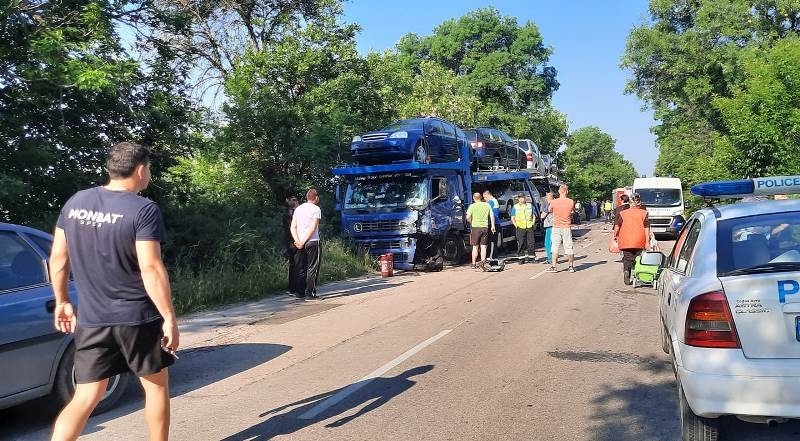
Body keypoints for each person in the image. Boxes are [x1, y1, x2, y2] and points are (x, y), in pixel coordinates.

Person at [49, 142, 179, 441]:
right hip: (137, 317)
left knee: (85, 395)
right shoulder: (143, 209)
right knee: (155, 385)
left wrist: (62, 301)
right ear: (140, 169)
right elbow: (151, 268)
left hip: (92, 319)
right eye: (149, 169)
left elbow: (57, 258)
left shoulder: (76, 203)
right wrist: (169, 317)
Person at [614, 193, 653, 285]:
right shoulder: (644, 213)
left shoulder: (623, 213)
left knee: (627, 258)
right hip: (640, 240)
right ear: (639, 203)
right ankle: (638, 274)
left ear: (630, 203)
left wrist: (615, 236)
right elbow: (646, 228)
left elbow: (617, 226)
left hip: (625, 240)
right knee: (638, 257)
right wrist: (647, 241)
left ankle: (627, 271)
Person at [291, 188, 322, 299]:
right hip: (312, 242)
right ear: (316, 197)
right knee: (312, 268)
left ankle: (299, 292)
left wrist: (298, 241)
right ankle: (310, 293)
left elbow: (293, 227)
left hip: (299, 242)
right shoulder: (316, 209)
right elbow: (313, 227)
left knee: (300, 267)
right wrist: (304, 241)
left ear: (307, 197)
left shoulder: (298, 209)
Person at [547, 184, 576, 273]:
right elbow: (572, 212)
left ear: (559, 191)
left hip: (556, 226)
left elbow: (549, 210)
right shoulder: (571, 202)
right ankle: (570, 266)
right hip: (566, 226)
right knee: (568, 246)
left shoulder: (554, 202)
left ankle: (554, 266)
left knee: (555, 247)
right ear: (567, 192)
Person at [466, 192, 495, 269]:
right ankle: (483, 262)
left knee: (475, 247)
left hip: (475, 228)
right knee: (483, 247)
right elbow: (491, 215)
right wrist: (492, 225)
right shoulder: (487, 205)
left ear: (473, 198)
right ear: (481, 197)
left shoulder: (472, 206)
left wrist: (471, 221)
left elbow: (468, 217)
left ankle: (473, 263)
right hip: (484, 227)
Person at [510, 193, 536, 264]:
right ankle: (521, 258)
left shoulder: (530, 206)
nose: (521, 199)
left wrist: (533, 223)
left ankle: (532, 257)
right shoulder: (515, 207)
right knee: (521, 243)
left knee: (531, 242)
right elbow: (512, 217)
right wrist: (516, 226)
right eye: (520, 198)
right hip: (520, 227)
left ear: (525, 198)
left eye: (523, 197)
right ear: (518, 199)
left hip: (529, 226)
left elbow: (533, 215)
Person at [283, 196, 300, 295]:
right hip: (292, 242)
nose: (297, 202)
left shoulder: (294, 213)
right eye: (294, 200)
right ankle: (293, 287)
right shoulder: (288, 215)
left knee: (295, 264)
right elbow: (292, 228)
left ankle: (294, 287)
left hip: (294, 241)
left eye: (296, 200)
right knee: (295, 264)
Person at [483, 189, 501, 258]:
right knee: (492, 242)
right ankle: (492, 258)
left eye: (485, 197)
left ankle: (493, 259)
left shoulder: (491, 202)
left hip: (494, 224)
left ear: (488, 195)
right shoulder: (494, 201)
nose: (485, 199)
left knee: (492, 242)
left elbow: (485, 210)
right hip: (496, 223)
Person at [540, 191, 554, 265]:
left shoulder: (549, 204)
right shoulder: (557, 203)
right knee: (554, 242)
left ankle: (550, 258)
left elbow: (542, 215)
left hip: (550, 225)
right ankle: (554, 258)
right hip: (557, 225)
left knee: (548, 243)